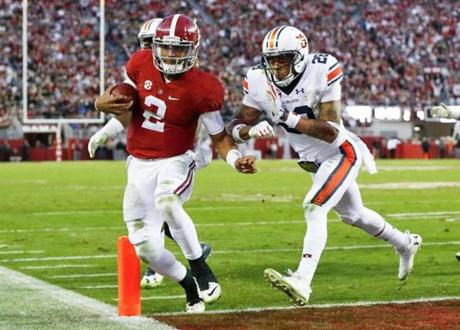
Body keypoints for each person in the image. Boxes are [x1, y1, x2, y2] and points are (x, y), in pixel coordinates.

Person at [228, 25, 422, 306]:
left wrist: (285, 116)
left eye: (283, 58)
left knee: (314, 206)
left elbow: (331, 130)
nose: (276, 65)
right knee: (354, 216)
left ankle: (303, 281)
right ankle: (406, 244)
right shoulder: (258, 79)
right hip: (316, 163)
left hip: (341, 152)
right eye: (271, 59)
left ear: (301, 56)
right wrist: (248, 132)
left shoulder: (322, 68)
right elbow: (236, 124)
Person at [91, 14, 256, 313]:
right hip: (138, 163)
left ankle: (201, 267)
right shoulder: (140, 63)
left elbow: (219, 137)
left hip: (175, 160)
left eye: (179, 48)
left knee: (167, 201)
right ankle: (189, 285)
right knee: (145, 248)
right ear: (155, 45)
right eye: (165, 47)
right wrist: (101, 104)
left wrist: (234, 160)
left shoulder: (204, 87)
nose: (170, 54)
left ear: (193, 49)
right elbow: (121, 99)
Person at [90, 17, 214, 289]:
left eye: (152, 44)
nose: (150, 51)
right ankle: (185, 255)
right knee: (155, 209)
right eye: (146, 44)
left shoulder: (186, 74)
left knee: (162, 203)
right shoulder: (141, 68)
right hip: (147, 155)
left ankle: (187, 265)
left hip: (184, 151)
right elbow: (129, 109)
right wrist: (104, 129)